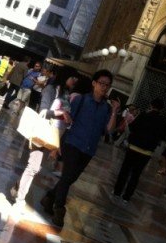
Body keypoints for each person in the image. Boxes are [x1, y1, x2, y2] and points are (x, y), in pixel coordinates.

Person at [41, 69, 120, 229]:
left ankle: (49, 197)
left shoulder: (106, 108)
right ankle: (59, 208)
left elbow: (109, 130)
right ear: (94, 83)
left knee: (70, 178)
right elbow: (65, 121)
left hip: (89, 149)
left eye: (107, 85)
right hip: (72, 144)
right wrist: (56, 146)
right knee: (67, 175)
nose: (104, 87)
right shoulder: (81, 100)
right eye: (101, 83)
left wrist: (114, 112)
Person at [12, 71, 79, 210]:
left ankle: (18, 186)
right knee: (33, 167)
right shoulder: (50, 89)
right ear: (65, 76)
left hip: (53, 135)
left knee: (36, 168)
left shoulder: (66, 93)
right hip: (42, 132)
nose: (74, 80)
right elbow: (43, 112)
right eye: (72, 77)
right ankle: (20, 200)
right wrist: (60, 113)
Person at [111, 98, 166, 203]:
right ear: (161, 109)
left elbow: (132, 127)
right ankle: (126, 197)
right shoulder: (163, 121)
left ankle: (117, 192)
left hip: (133, 148)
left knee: (124, 171)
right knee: (136, 175)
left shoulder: (143, 115)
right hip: (146, 152)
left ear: (151, 105)